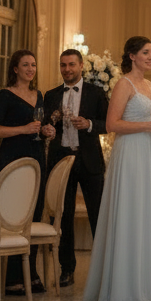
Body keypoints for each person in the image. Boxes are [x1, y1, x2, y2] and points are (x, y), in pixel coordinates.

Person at [82, 36, 151, 301]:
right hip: (130, 152)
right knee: (130, 209)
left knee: (146, 211)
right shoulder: (124, 84)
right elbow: (112, 124)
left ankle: (145, 281)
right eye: (146, 52)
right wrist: (149, 126)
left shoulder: (150, 84)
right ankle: (123, 284)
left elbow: (148, 119)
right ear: (132, 56)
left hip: (149, 151)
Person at [0, 49, 53, 295]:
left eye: (33, 65)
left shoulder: (39, 95)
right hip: (13, 159)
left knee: (32, 215)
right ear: (15, 69)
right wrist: (23, 129)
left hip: (36, 158)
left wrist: (45, 131)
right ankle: (12, 278)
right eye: (25, 65)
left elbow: (39, 126)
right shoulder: (5, 95)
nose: (30, 69)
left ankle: (30, 273)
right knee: (14, 216)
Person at [43, 49, 109, 288]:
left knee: (98, 215)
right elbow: (44, 123)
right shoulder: (50, 95)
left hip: (89, 159)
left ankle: (103, 269)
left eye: (71, 64)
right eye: (63, 65)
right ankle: (66, 269)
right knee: (63, 216)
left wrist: (89, 124)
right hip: (60, 161)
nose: (67, 69)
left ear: (81, 66)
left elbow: (108, 123)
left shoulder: (96, 93)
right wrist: (47, 129)